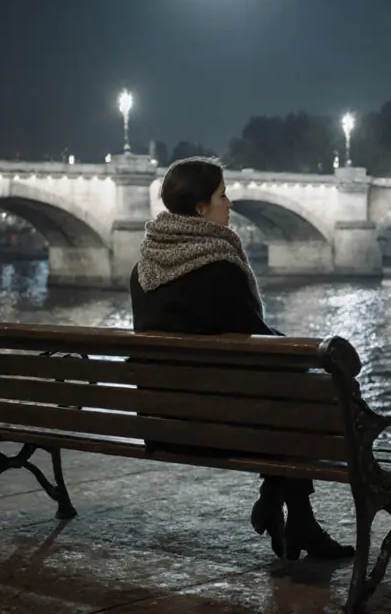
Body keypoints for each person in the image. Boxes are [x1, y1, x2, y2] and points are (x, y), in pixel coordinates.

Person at [129, 156, 355, 561]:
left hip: (162, 420)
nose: (230, 203)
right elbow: (257, 342)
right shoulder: (217, 266)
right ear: (200, 208)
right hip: (220, 423)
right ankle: (288, 509)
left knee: (289, 397)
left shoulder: (143, 270)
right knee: (312, 393)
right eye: (222, 194)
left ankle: (288, 509)